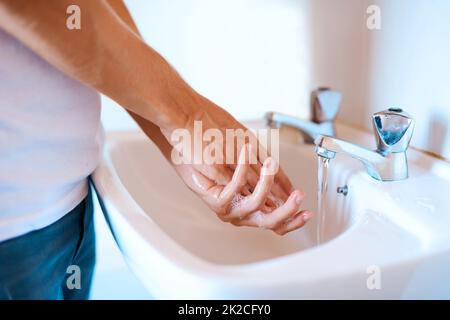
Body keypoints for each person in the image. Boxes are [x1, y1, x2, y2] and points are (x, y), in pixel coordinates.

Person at [0, 0, 313, 299]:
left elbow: (95, 13)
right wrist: (188, 117)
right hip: (11, 237)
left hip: (69, 208)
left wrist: (177, 141)